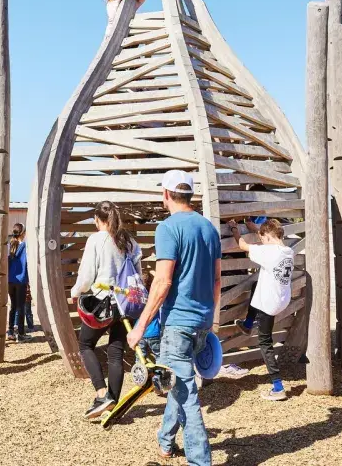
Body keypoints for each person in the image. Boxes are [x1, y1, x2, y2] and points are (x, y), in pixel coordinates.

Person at [127, 171, 220, 465]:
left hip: (178, 323)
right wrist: (211, 319)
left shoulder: (167, 228)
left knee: (187, 394)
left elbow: (163, 282)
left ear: (166, 194)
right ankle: (166, 441)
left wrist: (140, 326)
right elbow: (217, 280)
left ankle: (200, 461)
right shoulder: (209, 228)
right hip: (202, 321)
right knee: (179, 386)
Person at [71, 201, 141, 419]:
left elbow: (86, 276)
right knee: (116, 352)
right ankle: (114, 403)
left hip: (104, 302)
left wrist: (75, 292)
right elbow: (138, 272)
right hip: (127, 303)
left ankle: (103, 393)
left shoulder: (97, 239)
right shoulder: (130, 241)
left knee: (85, 344)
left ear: (97, 220)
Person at [228, 218, 294, 401]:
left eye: (262, 238)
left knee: (265, 343)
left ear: (267, 237)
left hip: (268, 303)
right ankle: (248, 323)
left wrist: (235, 228)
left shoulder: (267, 252)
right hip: (281, 299)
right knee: (257, 283)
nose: (261, 241)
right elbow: (269, 237)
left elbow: (242, 245)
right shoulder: (287, 251)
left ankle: (278, 387)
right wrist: (255, 228)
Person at [7, 223, 30, 343]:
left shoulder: (10, 245)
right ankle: (21, 334)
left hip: (10, 280)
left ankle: (10, 331)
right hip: (21, 280)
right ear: (23, 233)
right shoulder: (25, 246)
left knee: (13, 306)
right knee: (21, 307)